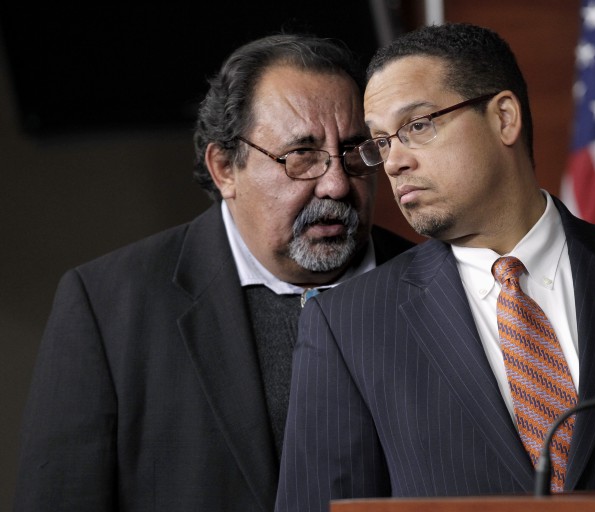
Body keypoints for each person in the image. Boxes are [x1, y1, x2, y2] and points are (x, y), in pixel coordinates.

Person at [275, 23, 595, 511]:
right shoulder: (347, 326)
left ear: (503, 118)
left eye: (417, 126)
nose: (394, 162)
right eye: (382, 142)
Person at [14, 33, 413, 511]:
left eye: (353, 152)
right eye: (301, 156)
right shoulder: (106, 307)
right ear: (225, 167)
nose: (336, 183)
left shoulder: (438, 287)